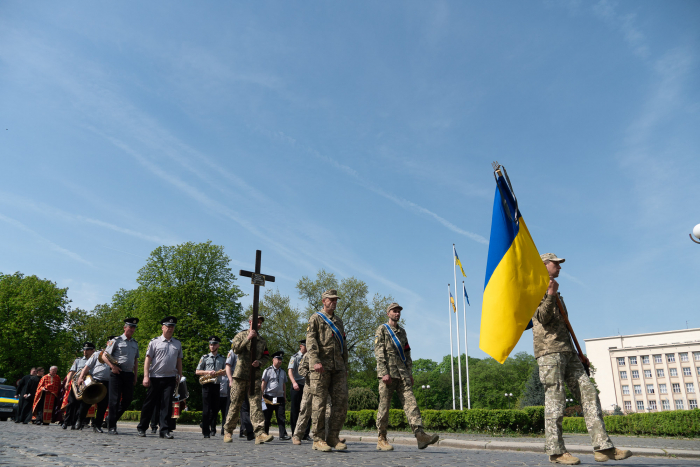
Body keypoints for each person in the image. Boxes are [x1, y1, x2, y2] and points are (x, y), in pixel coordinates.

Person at [534, 253, 632, 465]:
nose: (559, 267)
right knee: (555, 401)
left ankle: (603, 447)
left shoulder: (555, 290)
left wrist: (577, 351)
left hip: (568, 352)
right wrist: (550, 294)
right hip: (549, 353)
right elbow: (543, 318)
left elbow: (563, 326)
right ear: (544, 265)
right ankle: (556, 452)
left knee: (589, 395)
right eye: (556, 264)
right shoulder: (533, 287)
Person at [374, 302, 439, 450]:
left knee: (412, 405)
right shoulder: (382, 329)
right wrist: (383, 372)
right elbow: (379, 351)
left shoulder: (402, 332)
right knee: (384, 408)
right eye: (394, 311)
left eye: (398, 311)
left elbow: (407, 354)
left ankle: (420, 435)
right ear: (388, 313)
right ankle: (381, 439)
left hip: (402, 375)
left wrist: (409, 373)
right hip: (388, 375)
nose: (397, 314)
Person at [306, 289, 349, 452]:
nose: (334, 302)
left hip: (338, 367)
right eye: (331, 299)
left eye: (336, 300)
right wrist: (315, 361)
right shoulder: (315, 318)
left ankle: (333, 437)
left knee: (341, 402)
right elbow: (311, 342)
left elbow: (344, 345)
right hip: (321, 368)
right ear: (323, 300)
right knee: (319, 403)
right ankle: (318, 438)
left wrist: (345, 366)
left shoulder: (339, 321)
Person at [222, 314, 273, 445]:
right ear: (250, 322)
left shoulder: (262, 341)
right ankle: (228, 431)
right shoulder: (241, 335)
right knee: (235, 404)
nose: (259, 324)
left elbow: (267, 356)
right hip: (240, 376)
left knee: (256, 405)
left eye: (261, 323)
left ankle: (260, 433)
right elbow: (236, 349)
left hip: (254, 376)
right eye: (257, 322)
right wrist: (248, 338)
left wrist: (260, 363)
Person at [137, 316, 183, 439]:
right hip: (155, 377)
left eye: (172, 327)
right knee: (149, 404)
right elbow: (147, 360)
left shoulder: (177, 343)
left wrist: (180, 374)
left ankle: (164, 430)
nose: (170, 329)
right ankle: (142, 427)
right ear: (162, 327)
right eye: (168, 326)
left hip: (170, 378)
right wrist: (146, 376)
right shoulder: (154, 342)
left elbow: (179, 360)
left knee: (166, 404)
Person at [104, 317, 140, 435]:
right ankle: (112, 427)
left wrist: (135, 376)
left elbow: (135, 360)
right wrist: (112, 367)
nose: (132, 329)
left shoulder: (135, 343)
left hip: (129, 374)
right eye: (130, 327)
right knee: (114, 400)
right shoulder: (116, 340)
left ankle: (110, 418)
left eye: (134, 327)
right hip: (117, 373)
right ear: (125, 328)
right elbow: (104, 356)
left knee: (128, 399)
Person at [76, 337, 115, 433]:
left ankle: (97, 425)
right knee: (86, 403)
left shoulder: (116, 355)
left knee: (103, 406)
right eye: (111, 342)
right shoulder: (98, 354)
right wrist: (81, 377)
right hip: (95, 381)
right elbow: (87, 366)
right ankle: (79, 421)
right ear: (107, 343)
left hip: (108, 383)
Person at [196, 336, 226, 438]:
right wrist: (208, 372)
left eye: (214, 344)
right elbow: (197, 371)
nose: (212, 346)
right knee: (206, 409)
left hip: (217, 385)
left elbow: (226, 371)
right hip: (206, 385)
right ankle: (206, 432)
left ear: (218, 345)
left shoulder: (222, 358)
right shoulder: (204, 357)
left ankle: (204, 424)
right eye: (210, 344)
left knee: (215, 409)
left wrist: (221, 373)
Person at [63, 342, 96, 429]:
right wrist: (67, 382)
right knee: (71, 403)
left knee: (83, 405)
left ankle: (77, 422)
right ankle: (66, 422)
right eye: (84, 350)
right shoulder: (78, 360)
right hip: (77, 385)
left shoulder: (96, 361)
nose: (85, 351)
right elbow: (72, 371)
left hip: (88, 385)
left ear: (93, 350)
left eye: (87, 350)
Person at [262, 351, 290, 440]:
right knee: (267, 417)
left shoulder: (283, 372)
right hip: (269, 396)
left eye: (281, 359)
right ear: (273, 360)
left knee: (281, 416)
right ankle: (265, 434)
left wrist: (284, 396)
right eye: (278, 359)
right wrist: (261, 395)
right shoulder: (267, 370)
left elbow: (284, 385)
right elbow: (264, 383)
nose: (280, 361)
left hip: (279, 397)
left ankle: (283, 434)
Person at [288, 340, 312, 441]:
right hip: (297, 385)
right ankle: (295, 432)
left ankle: (305, 433)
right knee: (295, 410)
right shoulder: (295, 357)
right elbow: (290, 371)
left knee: (307, 409)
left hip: (307, 385)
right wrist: (294, 383)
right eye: (306, 346)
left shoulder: (310, 357)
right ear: (301, 346)